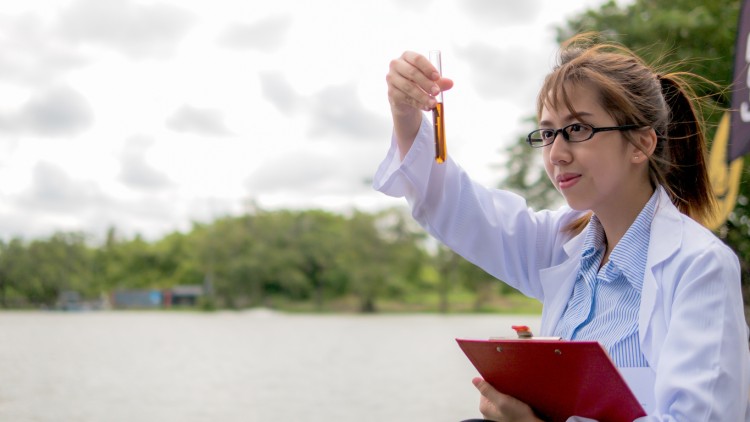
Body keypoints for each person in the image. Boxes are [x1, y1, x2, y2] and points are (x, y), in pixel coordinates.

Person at [374, 33, 750, 421]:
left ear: (641, 143)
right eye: (549, 133)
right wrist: (406, 114)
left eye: (578, 130)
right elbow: (454, 205)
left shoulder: (699, 266)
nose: (557, 154)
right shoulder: (564, 246)